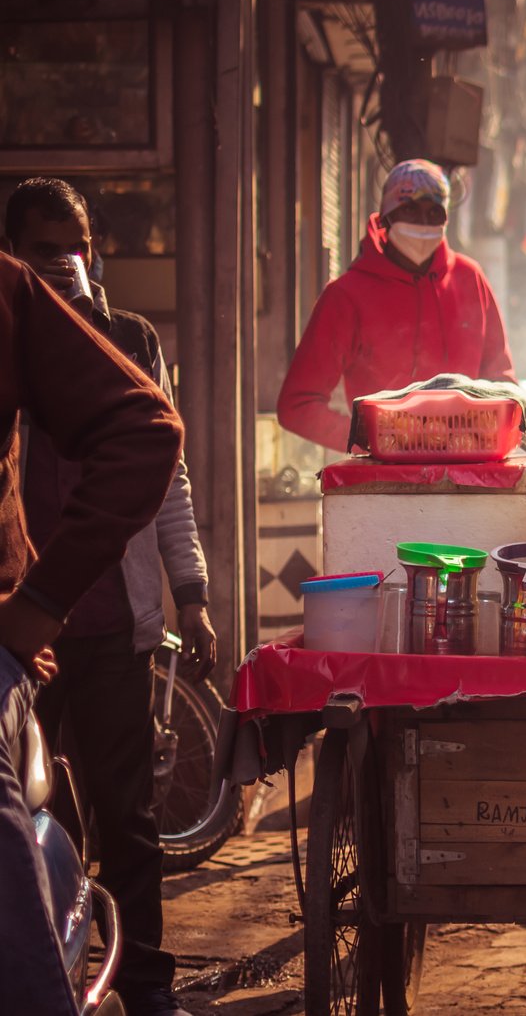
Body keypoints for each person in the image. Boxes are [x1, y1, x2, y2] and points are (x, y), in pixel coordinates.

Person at [2, 179, 213, 1016]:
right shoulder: (18, 333)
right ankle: (69, 965)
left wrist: (190, 592)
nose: (60, 260)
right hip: (27, 635)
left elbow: (166, 469)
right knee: (47, 817)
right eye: (41, 246)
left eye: (73, 244)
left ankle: (146, 983)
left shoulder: (127, 340)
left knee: (128, 821)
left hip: (104, 621)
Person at [278, 159, 517, 451]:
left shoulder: (470, 280)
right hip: (383, 482)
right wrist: (370, 437)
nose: (422, 223)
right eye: (409, 210)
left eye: (434, 213)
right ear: (386, 216)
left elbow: (503, 384)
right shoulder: (346, 295)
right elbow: (297, 405)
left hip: (467, 474)